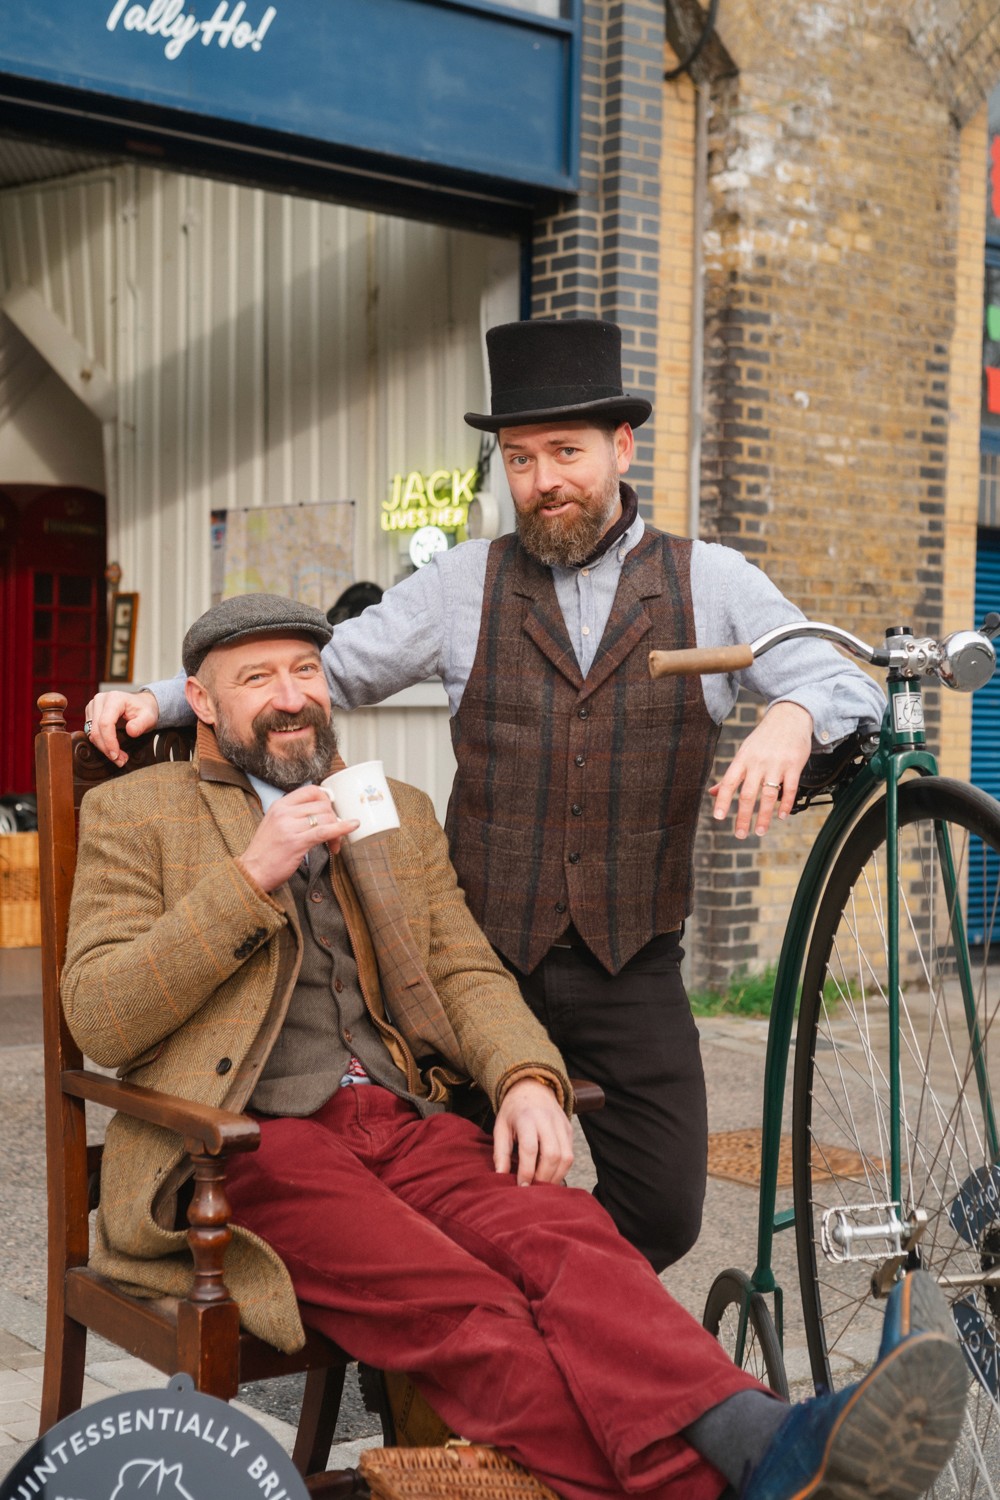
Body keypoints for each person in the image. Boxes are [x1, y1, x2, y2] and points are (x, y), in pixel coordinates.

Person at [63, 593, 965, 1500]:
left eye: (305, 671)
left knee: (572, 1240)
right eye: (255, 679)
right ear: (202, 702)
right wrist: (249, 876)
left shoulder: (391, 810)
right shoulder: (139, 815)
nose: (290, 696)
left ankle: (766, 1443)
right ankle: (749, 1465)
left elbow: (464, 974)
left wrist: (528, 1079)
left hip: (406, 1118)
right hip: (251, 1144)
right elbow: (100, 1016)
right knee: (466, 1303)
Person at [82, 319, 886, 1273]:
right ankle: (499, 1352)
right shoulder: (464, 583)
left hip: (634, 962)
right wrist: (163, 696)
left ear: (622, 449)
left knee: (666, 1214)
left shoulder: (710, 580)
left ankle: (554, 1310)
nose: (544, 478)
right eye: (520, 457)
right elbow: (319, 669)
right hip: (477, 962)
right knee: (454, 1201)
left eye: (566, 452)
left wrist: (793, 714)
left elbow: (848, 677)